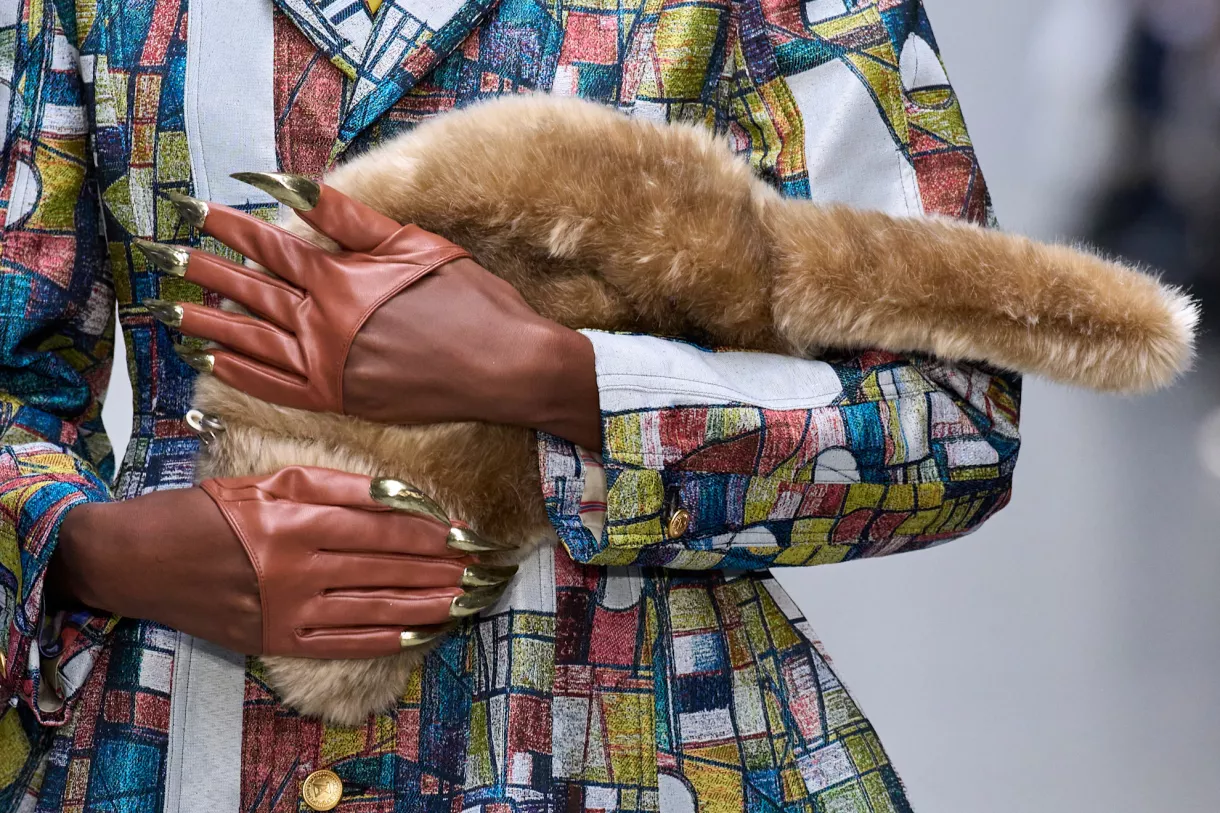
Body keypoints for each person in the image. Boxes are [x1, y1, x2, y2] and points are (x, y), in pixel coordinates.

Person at [0, 0, 1019, 809]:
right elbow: (16, 388)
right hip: (175, 725)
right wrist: (94, 547)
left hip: (626, 742)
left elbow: (955, 416)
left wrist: (551, 376)